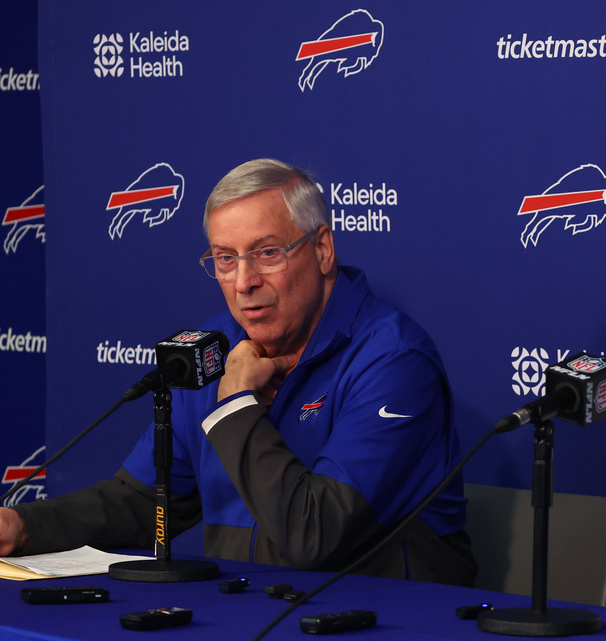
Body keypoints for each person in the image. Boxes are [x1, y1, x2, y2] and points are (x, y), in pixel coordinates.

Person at [0, 158, 475, 586]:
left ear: (323, 250)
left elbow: (316, 537)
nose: (244, 282)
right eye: (226, 259)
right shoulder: (214, 347)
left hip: (385, 636)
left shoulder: (393, 360)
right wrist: (24, 528)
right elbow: (149, 500)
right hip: (246, 621)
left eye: (267, 253)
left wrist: (236, 406)